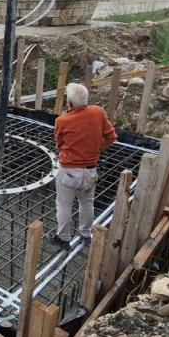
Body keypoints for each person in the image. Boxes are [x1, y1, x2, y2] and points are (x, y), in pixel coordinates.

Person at [53, 82, 117, 250]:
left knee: (64, 205)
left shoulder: (62, 120)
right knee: (87, 203)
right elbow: (111, 137)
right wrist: (97, 148)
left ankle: (63, 238)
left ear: (70, 103)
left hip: (68, 172)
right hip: (90, 171)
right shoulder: (98, 112)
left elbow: (59, 144)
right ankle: (86, 234)